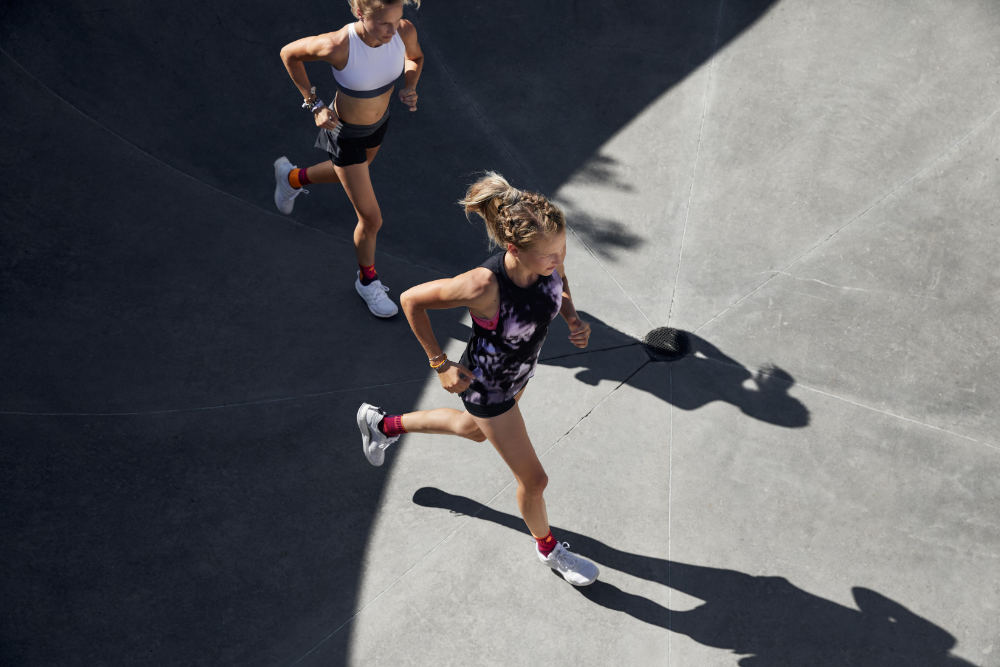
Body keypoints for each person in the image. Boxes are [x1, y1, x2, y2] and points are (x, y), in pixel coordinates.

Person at [356, 172, 600, 586]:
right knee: (534, 480)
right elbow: (411, 300)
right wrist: (441, 363)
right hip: (489, 387)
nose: (558, 261)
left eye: (562, 250)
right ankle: (547, 548)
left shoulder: (547, 262)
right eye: (549, 255)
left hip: (520, 374)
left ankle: (381, 425)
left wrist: (572, 316)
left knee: (473, 431)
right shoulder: (483, 284)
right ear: (514, 250)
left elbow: (558, 282)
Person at [274, 0, 424, 318]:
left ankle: (291, 178)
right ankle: (366, 280)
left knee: (358, 172)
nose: (391, 29)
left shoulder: (403, 30)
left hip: (377, 125)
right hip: (342, 133)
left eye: (396, 20)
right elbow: (290, 53)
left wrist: (410, 85)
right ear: (360, 14)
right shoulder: (339, 44)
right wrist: (314, 104)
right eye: (383, 23)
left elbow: (415, 57)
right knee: (371, 219)